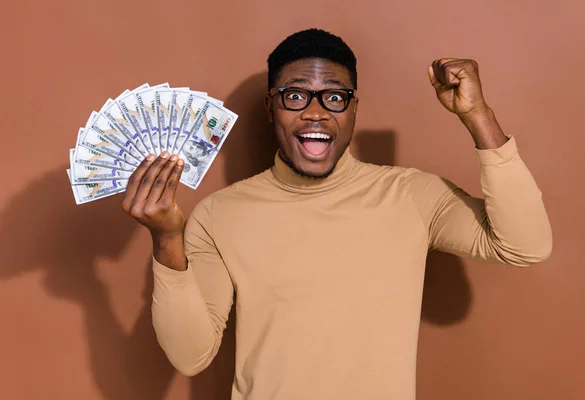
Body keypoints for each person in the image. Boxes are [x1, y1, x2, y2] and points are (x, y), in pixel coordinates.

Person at [121, 29, 552, 400]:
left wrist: (478, 116)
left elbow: (524, 245)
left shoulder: (411, 195)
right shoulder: (220, 213)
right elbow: (190, 355)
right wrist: (166, 241)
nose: (315, 112)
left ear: (353, 109)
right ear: (271, 106)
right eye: (295, 95)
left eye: (334, 96)